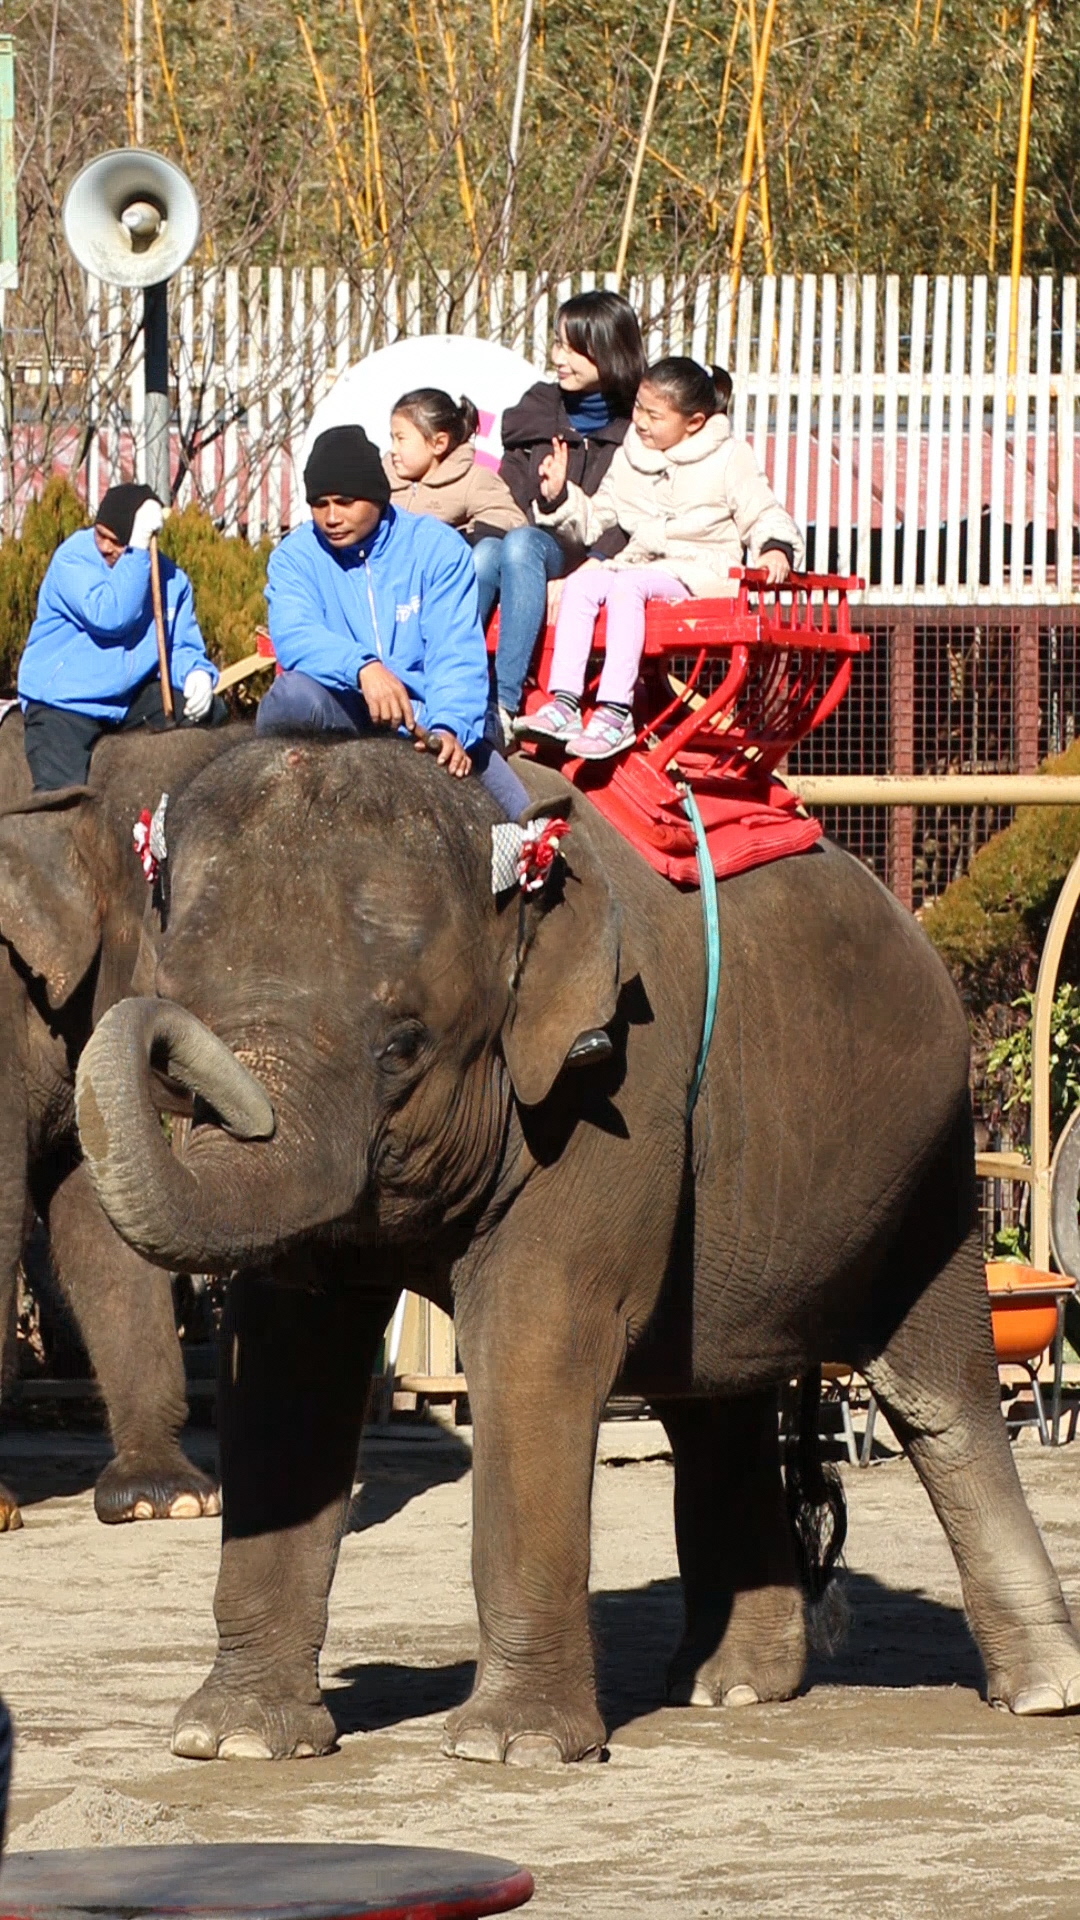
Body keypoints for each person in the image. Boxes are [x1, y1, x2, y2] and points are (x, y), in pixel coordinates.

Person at [520, 356, 804, 760]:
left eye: (654, 415)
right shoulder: (632, 455)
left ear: (695, 422)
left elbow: (762, 510)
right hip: (642, 565)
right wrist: (562, 496)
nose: (640, 422)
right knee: (583, 582)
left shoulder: (728, 457)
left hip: (701, 570)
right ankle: (564, 701)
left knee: (626, 584)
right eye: (638, 407)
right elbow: (599, 517)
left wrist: (775, 547)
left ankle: (615, 711)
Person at [259, 424, 529, 818]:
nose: (331, 517)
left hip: (424, 718)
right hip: (343, 710)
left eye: (345, 501)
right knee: (292, 697)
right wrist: (363, 668)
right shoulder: (294, 557)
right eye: (320, 504)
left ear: (377, 496)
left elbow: (454, 649)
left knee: (529, 830)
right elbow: (295, 634)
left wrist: (449, 726)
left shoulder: (437, 548)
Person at [473, 289, 647, 740]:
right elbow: (505, 497)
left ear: (609, 353)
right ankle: (458, 684)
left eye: (575, 348)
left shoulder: (640, 426)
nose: (560, 358)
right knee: (486, 554)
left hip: (603, 559)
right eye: (557, 344)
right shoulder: (537, 412)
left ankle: (503, 703)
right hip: (531, 547)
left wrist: (589, 566)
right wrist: (542, 496)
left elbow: (641, 512)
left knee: (519, 546)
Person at [18, 484, 222, 792]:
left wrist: (197, 673)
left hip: (127, 701)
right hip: (63, 701)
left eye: (117, 542)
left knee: (213, 714)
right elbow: (110, 615)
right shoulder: (73, 559)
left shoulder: (172, 581)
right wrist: (136, 551)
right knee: (62, 799)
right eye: (101, 534)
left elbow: (179, 646)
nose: (104, 546)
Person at [384, 389, 525, 542]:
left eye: (401, 439)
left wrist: (461, 541)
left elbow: (510, 519)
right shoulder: (380, 479)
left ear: (438, 443)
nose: (393, 450)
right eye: (393, 439)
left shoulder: (472, 480)